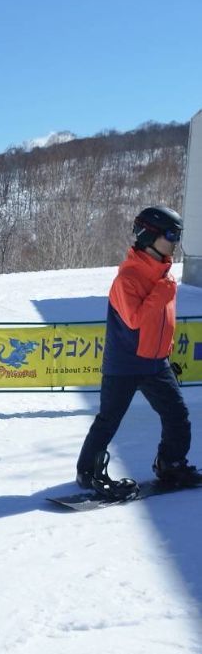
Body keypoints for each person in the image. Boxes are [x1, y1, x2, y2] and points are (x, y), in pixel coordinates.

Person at [76, 205, 199, 496]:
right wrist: (161, 291)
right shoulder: (128, 277)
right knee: (109, 420)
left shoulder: (163, 275)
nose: (176, 242)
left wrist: (166, 348)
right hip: (125, 364)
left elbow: (161, 319)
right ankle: (87, 472)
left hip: (156, 363)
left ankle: (171, 464)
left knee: (177, 415)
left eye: (178, 235)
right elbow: (134, 319)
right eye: (171, 235)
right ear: (149, 235)